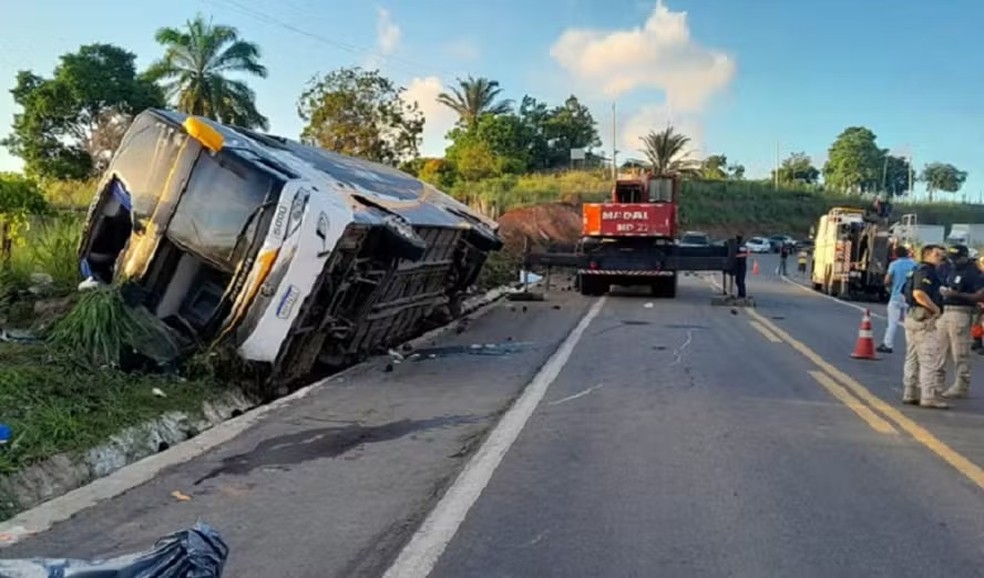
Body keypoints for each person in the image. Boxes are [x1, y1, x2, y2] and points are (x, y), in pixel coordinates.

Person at [901, 244, 948, 409]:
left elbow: (904, 291)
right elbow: (918, 293)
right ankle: (928, 396)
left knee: (912, 357)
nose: (941, 258)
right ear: (927, 255)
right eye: (937, 254)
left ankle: (910, 392)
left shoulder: (915, 269)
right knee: (928, 359)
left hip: (913, 317)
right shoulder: (926, 271)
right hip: (924, 318)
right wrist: (935, 309)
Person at [937, 245, 984, 399]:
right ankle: (937, 382)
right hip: (946, 309)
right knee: (939, 349)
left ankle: (961, 384)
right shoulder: (950, 269)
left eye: (957, 258)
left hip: (961, 311)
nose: (954, 261)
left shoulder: (973, 273)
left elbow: (979, 295)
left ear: (965, 257)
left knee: (960, 351)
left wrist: (957, 294)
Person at [877, 245, 917, 354]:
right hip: (910, 297)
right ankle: (912, 347)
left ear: (895, 255)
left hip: (896, 296)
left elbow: (887, 280)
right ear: (907, 253)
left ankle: (887, 344)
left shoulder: (894, 264)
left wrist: (889, 284)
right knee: (909, 324)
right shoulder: (914, 264)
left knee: (892, 323)